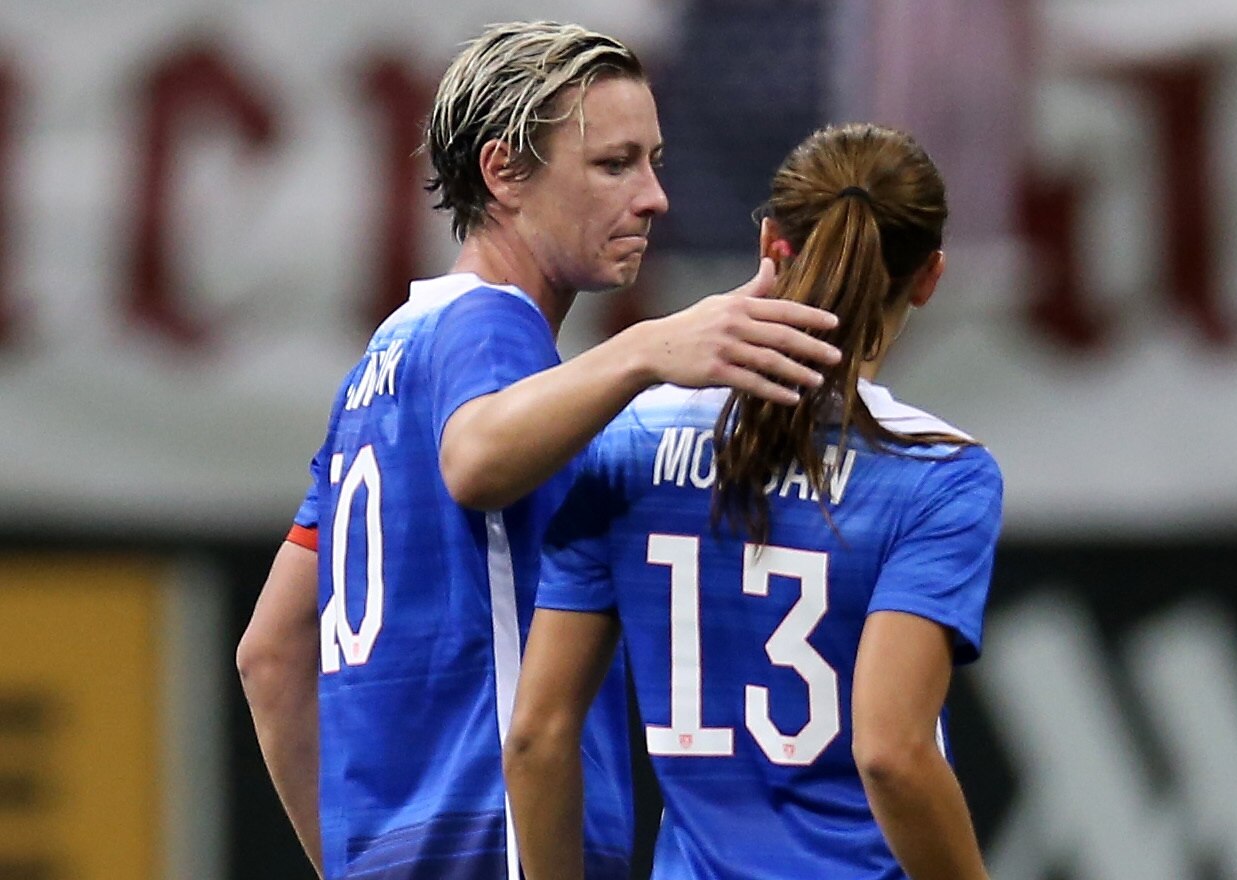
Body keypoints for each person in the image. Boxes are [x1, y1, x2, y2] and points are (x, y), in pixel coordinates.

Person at [235, 20, 842, 880]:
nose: (653, 197)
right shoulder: (495, 328)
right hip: (507, 845)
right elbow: (477, 460)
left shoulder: (388, 357)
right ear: (504, 171)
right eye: (613, 164)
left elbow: (269, 655)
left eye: (654, 161)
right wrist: (643, 351)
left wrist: (352, 863)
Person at [504, 122, 1003, 880]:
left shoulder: (628, 440)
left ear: (771, 242)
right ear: (930, 276)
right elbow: (892, 752)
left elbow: (537, 736)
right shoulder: (937, 473)